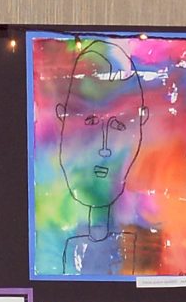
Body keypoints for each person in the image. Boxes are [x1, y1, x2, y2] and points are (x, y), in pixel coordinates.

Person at [48, 37, 149, 277]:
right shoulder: (58, 246)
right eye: (90, 123)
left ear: (141, 122)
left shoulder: (142, 248)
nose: (104, 148)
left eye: (119, 126)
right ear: (62, 117)